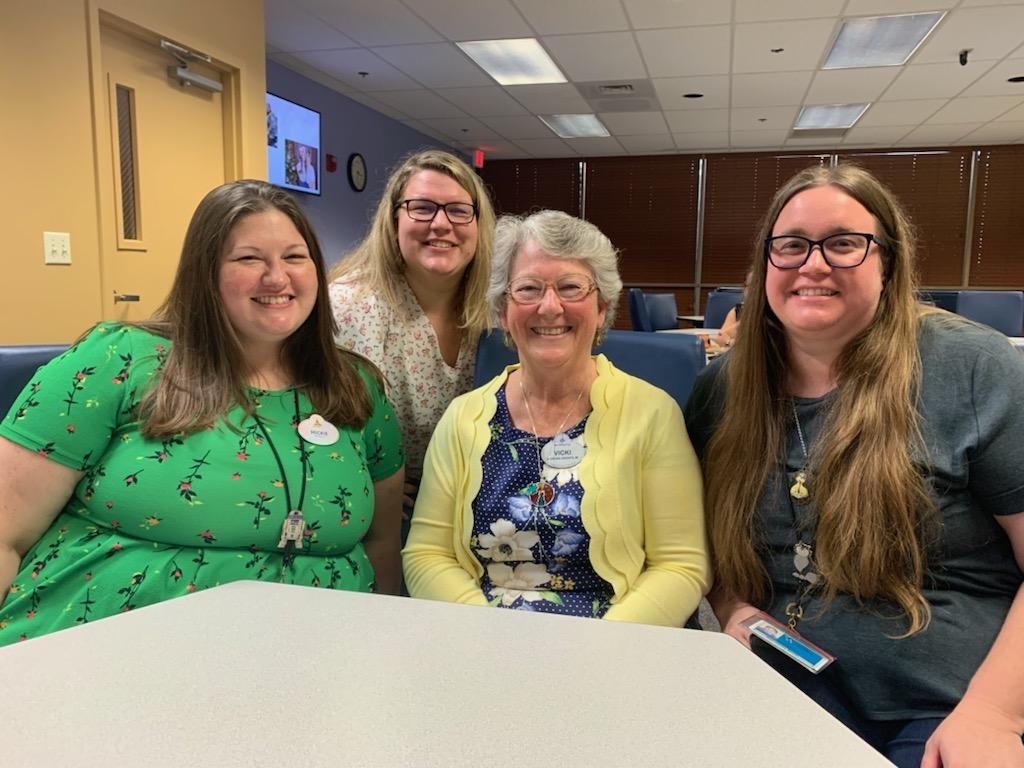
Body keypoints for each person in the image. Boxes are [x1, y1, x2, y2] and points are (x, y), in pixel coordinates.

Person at [684, 164, 1024, 767]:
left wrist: (994, 716)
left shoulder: (973, 368)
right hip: (777, 688)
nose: (813, 264)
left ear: (887, 263)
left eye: (843, 243)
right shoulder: (724, 390)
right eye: (791, 245)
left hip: (948, 700)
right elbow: (704, 542)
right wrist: (732, 607)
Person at [0, 180, 405, 646]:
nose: (277, 277)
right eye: (249, 258)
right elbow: (6, 533)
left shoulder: (355, 387)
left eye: (295, 257)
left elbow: (381, 543)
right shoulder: (119, 360)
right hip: (99, 647)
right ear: (205, 274)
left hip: (308, 654)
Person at [403, 210, 710, 626]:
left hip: (614, 641)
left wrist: (600, 649)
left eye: (570, 287)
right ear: (503, 312)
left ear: (601, 308)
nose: (550, 307)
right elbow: (426, 554)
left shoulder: (652, 414)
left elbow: (681, 565)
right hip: (481, 635)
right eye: (528, 289)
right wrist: (486, 636)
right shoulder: (462, 418)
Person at [328, 149, 495, 515]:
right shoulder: (347, 306)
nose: (441, 224)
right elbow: (314, 420)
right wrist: (372, 478)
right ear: (394, 220)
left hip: (476, 495)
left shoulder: (498, 309)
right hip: (381, 503)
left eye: (458, 210)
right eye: (422, 207)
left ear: (478, 225)